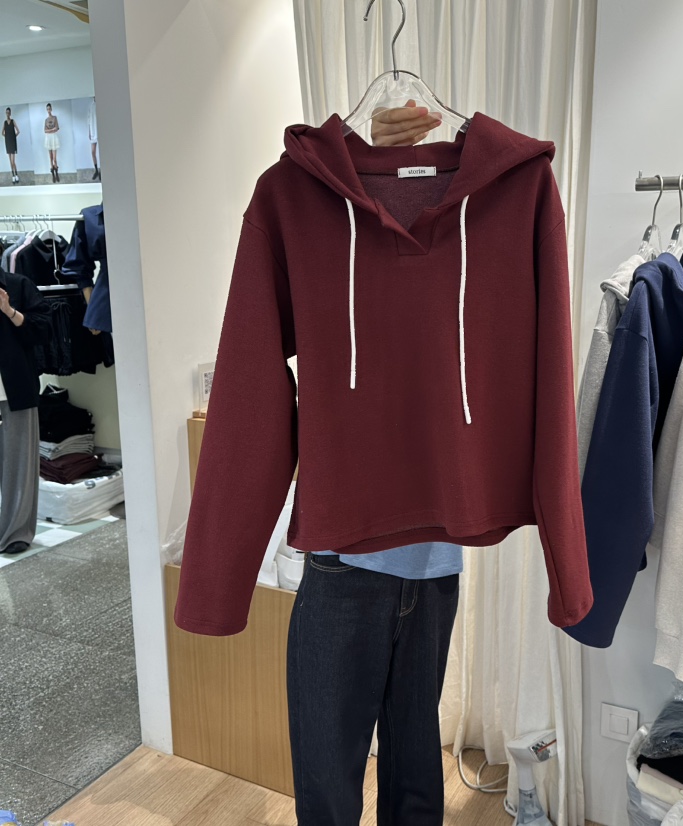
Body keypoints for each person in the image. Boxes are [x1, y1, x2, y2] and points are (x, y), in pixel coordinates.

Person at [286, 100, 460, 826]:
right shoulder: (306, 204)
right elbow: (256, 375)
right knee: (329, 785)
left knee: (416, 778)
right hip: (344, 561)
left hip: (438, 559)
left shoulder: (487, 208)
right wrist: (361, 166)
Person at [0, 269, 51, 555]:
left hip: (15, 388)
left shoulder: (18, 285)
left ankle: (16, 533)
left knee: (19, 464)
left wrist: (10, 311)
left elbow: (44, 330)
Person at [2, 108, 20, 184]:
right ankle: (13, 175)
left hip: (12, 143)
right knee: (10, 161)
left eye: (9, 112)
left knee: (13, 161)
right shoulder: (5, 122)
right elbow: (2, 133)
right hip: (8, 143)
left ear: (10, 113)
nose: (8, 114)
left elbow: (18, 131)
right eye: (7, 113)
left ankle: (16, 174)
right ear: (5, 113)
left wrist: (13, 137)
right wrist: (7, 137)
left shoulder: (13, 121)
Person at [44, 103, 60, 183]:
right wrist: (52, 130)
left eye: (49, 109)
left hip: (54, 138)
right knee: (50, 158)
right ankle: (53, 174)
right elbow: (45, 130)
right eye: (47, 109)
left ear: (51, 109)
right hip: (48, 138)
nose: (48, 110)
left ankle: (56, 172)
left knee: (54, 158)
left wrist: (50, 130)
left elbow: (57, 128)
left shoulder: (55, 118)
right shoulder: (46, 120)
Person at [88, 97, 100, 180]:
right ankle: (96, 170)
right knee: (93, 152)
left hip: (99, 130)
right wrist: (89, 131)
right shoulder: (91, 106)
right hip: (93, 131)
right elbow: (89, 120)